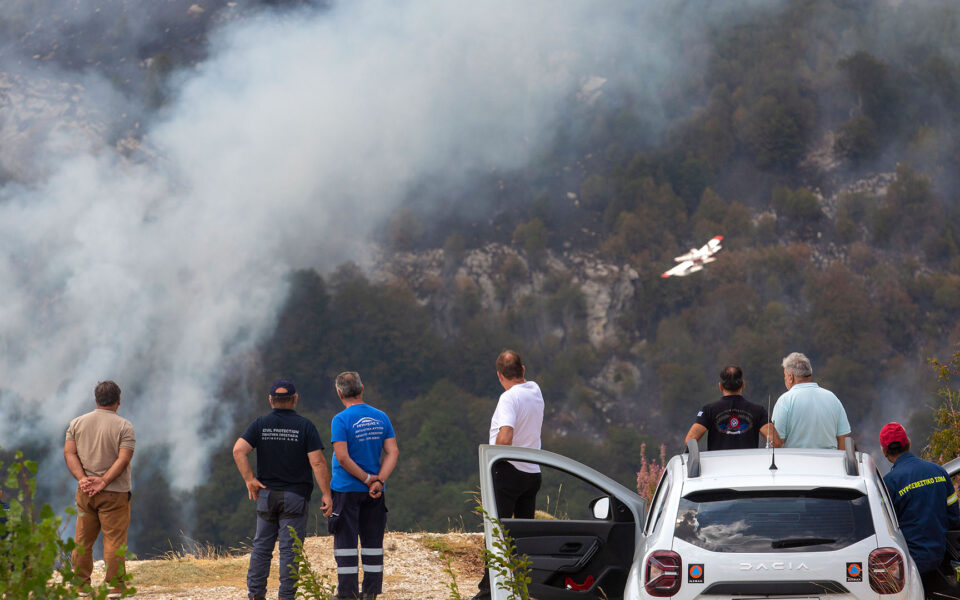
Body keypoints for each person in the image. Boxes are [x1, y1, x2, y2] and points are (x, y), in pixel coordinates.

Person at [233, 379, 333, 600]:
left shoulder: (260, 424)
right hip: (295, 497)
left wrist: (250, 479)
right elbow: (317, 463)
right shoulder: (306, 426)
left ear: (270, 401)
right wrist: (327, 493)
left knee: (261, 548)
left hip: (266, 495)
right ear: (295, 399)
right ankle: (285, 596)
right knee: (290, 551)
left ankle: (256, 595)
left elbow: (239, 450)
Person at [475, 349, 545, 600]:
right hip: (532, 470)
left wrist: (494, 458)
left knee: (497, 531)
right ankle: (522, 584)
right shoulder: (535, 390)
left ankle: (488, 588)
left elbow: (505, 435)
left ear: (499, 375)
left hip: (509, 470)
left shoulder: (509, 398)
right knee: (522, 534)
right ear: (523, 370)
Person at [328, 371, 399, 600]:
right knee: (372, 543)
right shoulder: (381, 417)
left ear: (339, 393)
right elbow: (392, 451)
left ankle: (347, 594)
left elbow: (342, 457)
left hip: (346, 489)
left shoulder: (340, 420)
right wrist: (379, 480)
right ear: (362, 389)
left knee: (346, 543)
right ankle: (370, 593)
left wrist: (367, 479)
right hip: (375, 493)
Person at [63, 380, 136, 597]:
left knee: (83, 540)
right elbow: (123, 459)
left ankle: (80, 585)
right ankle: (115, 586)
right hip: (115, 493)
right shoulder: (125, 426)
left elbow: (69, 453)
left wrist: (83, 478)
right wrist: (103, 481)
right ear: (118, 401)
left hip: (85, 492)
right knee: (114, 540)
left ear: (96, 400)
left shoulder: (76, 423)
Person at [879, 422, 959, 597]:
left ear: (884, 452)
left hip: (911, 567)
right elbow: (954, 517)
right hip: (941, 562)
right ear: (908, 442)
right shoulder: (938, 472)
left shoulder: (889, 484)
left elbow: (885, 529)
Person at [760, 352, 851, 449]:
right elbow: (844, 438)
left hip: (795, 462)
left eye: (785, 376)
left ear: (790, 377)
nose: (785, 379)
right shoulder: (832, 398)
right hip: (828, 462)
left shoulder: (785, 400)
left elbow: (776, 442)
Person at [685, 365, 769, 450]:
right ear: (743, 384)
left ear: (720, 386)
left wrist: (701, 460)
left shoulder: (708, 410)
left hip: (718, 463)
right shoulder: (758, 410)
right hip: (749, 463)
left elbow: (690, 440)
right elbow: (775, 442)